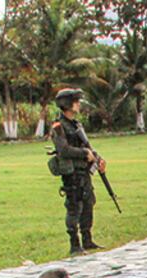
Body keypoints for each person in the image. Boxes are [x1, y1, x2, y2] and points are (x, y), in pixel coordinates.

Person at [49, 88, 104, 256]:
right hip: (72, 173)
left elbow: (86, 146)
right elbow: (63, 149)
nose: (79, 104)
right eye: (76, 101)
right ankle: (75, 244)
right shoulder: (58, 127)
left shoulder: (76, 125)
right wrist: (84, 154)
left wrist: (97, 158)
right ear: (67, 104)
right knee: (74, 207)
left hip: (83, 171)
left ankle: (87, 240)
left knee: (88, 203)